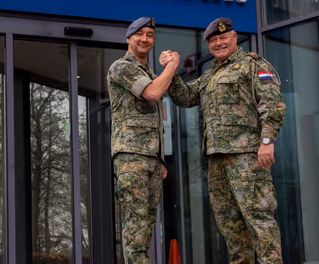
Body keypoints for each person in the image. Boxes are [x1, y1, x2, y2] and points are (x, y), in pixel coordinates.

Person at [163, 17, 285, 264]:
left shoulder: (253, 64)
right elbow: (186, 97)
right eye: (213, 41)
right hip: (217, 160)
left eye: (222, 38)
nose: (218, 43)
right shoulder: (212, 72)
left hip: (247, 156)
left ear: (234, 37)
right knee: (230, 225)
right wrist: (171, 72)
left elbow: (272, 103)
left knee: (259, 219)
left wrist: (267, 140)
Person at [107, 16, 180, 264]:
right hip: (132, 158)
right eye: (140, 34)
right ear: (129, 39)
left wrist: (159, 159)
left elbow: (154, 121)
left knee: (146, 228)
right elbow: (154, 93)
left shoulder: (148, 72)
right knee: (136, 229)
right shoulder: (121, 67)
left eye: (150, 35)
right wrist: (172, 66)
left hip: (151, 160)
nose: (145, 39)